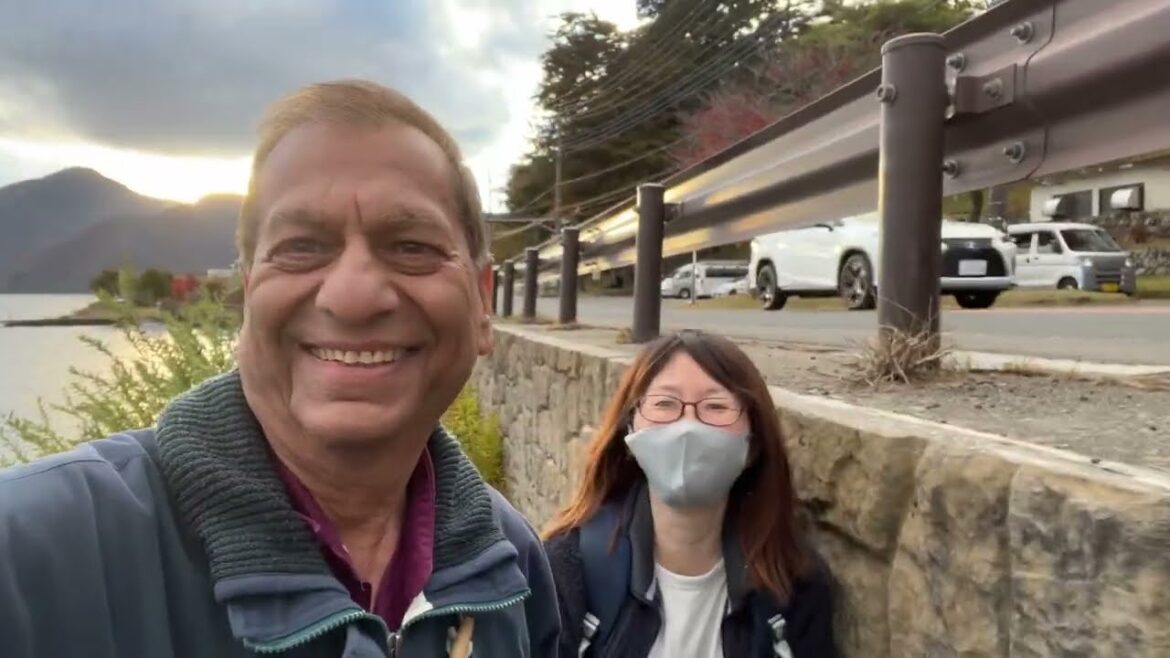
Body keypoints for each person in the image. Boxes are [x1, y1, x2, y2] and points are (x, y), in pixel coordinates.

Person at [0, 80, 560, 657]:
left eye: (411, 245)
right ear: (248, 296)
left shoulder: (509, 564)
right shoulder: (30, 549)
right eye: (301, 247)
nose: (352, 296)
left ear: (482, 302)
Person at [542, 330, 836, 657]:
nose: (688, 426)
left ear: (753, 443)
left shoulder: (793, 583)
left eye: (715, 406)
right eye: (665, 404)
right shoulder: (569, 567)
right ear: (631, 430)